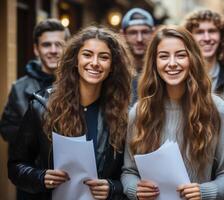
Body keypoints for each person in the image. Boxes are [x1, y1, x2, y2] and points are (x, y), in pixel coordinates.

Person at [8, 26, 131, 200]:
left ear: (112, 66)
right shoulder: (42, 107)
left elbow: (131, 174)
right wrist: (41, 177)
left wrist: (113, 188)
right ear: (75, 60)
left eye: (104, 57)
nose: (95, 62)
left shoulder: (123, 115)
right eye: (87, 55)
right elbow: (16, 166)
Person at [121, 26, 224, 200]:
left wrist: (205, 192)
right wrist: (135, 189)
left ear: (193, 59)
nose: (172, 63)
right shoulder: (139, 112)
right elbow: (128, 171)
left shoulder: (217, 110)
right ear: (154, 63)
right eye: (164, 56)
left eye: (180, 55)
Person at [0, 18, 69, 143]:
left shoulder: (80, 84)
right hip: (34, 161)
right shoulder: (19, 88)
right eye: (46, 45)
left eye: (59, 44)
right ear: (36, 49)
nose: (53, 50)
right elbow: (7, 129)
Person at [183, 9, 224, 104]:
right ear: (189, 37)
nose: (207, 38)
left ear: (222, 36)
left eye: (212, 31)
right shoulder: (181, 76)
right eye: (199, 32)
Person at [121, 7, 155, 105]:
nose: (139, 39)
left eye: (145, 32)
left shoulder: (162, 70)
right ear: (123, 34)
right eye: (133, 32)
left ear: (153, 33)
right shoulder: (115, 71)